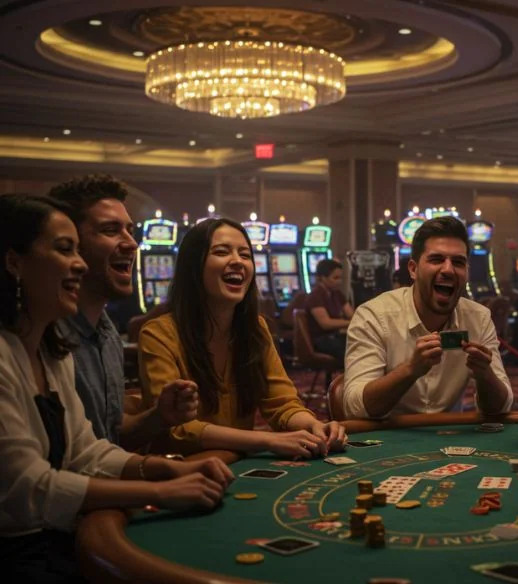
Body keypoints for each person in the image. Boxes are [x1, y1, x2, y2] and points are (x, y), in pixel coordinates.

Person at [0, 194, 233, 582]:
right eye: (64, 249)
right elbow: (30, 487)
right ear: (13, 263)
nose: (78, 263)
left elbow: (86, 449)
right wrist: (157, 492)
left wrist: (167, 470)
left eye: (77, 250)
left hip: (57, 535)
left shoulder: (51, 352)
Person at [139, 218, 347, 458]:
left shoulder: (255, 328)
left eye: (245, 255)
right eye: (221, 252)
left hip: (236, 463)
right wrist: (268, 440)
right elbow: (178, 429)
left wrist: (313, 425)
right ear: (193, 265)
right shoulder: (159, 334)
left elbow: (281, 403)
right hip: (180, 472)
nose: (237, 261)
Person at [49, 175, 199, 451]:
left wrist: (160, 417)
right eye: (110, 230)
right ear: (69, 243)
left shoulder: (107, 335)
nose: (132, 243)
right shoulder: (44, 338)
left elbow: (111, 435)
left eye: (130, 230)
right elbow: (64, 464)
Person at [343, 216, 513, 418]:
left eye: (458, 262)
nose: (448, 270)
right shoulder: (373, 316)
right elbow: (355, 408)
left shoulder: (479, 318)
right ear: (413, 270)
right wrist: (410, 370)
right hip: (386, 439)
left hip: (449, 440)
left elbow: (501, 408)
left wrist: (486, 375)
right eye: (436, 259)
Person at [305, 259, 353, 365]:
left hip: (335, 336)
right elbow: (325, 324)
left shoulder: (337, 294)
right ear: (322, 278)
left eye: (340, 278)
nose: (339, 281)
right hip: (321, 340)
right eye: (335, 278)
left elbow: (351, 314)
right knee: (354, 352)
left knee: (363, 345)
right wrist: (350, 322)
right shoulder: (315, 295)